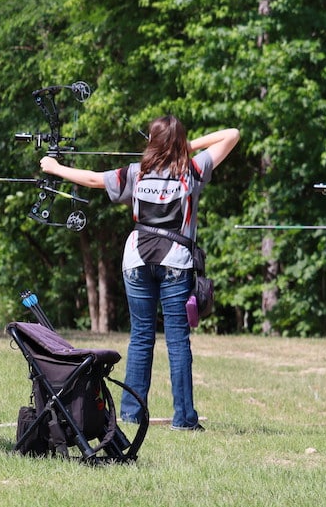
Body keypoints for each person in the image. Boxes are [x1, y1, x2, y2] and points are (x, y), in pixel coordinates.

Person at [40, 116, 240, 431]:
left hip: (135, 259)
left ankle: (132, 414)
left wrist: (55, 168)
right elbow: (232, 134)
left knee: (141, 337)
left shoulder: (137, 172)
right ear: (179, 142)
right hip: (176, 260)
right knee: (177, 341)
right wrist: (187, 147)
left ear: (153, 141)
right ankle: (184, 420)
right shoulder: (192, 170)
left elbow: (93, 179)